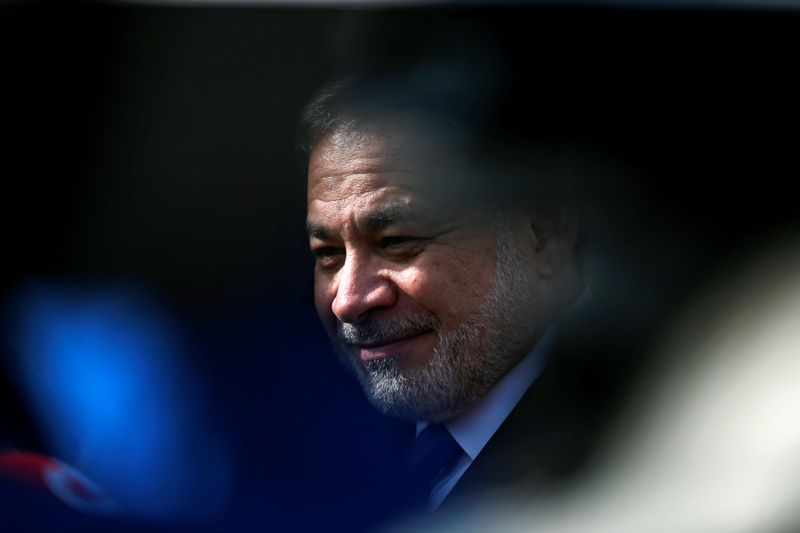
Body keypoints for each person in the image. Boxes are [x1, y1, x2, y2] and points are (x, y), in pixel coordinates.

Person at [300, 72, 625, 514]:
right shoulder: (311, 448)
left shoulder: (638, 452)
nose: (348, 301)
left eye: (396, 241)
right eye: (328, 255)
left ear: (544, 233)